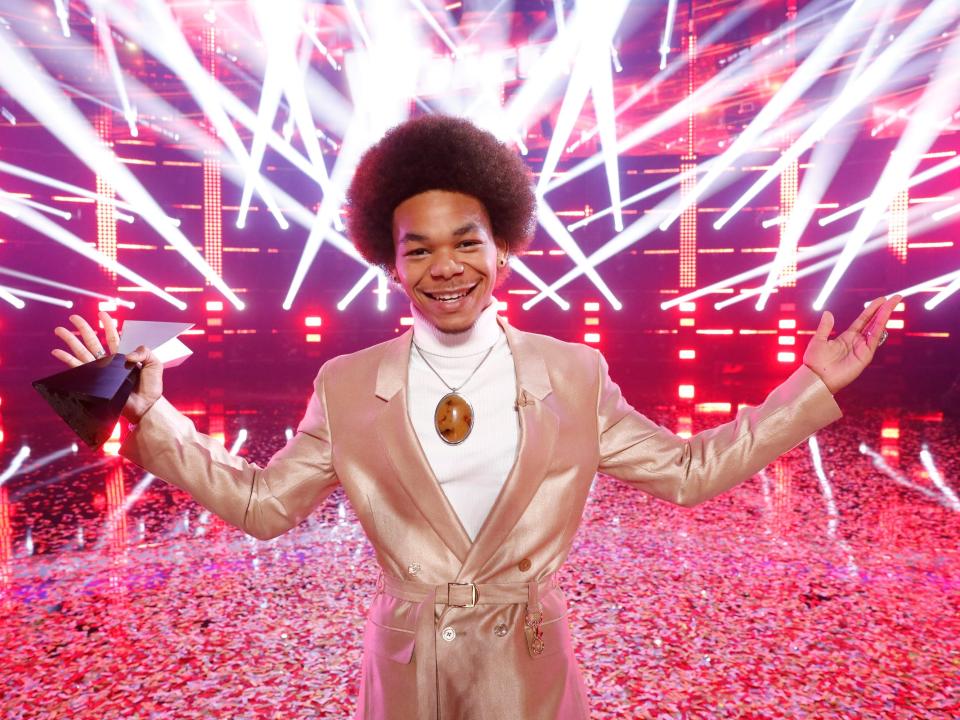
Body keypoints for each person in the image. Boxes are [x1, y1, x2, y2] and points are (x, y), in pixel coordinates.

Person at [51, 115, 901, 720]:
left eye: (467, 240)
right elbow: (264, 506)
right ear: (391, 262)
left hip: (528, 668)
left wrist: (808, 390)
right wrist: (152, 420)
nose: (445, 265)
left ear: (504, 247)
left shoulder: (573, 372)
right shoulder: (348, 383)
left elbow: (687, 474)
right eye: (417, 247)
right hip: (405, 673)